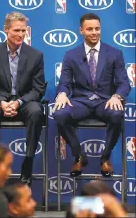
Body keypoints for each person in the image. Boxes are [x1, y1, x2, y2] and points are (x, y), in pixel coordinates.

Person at [53, 13, 131, 177]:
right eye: (90, 29)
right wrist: (61, 94)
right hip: (81, 102)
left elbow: (124, 82)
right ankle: (79, 155)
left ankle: (105, 158)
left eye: (97, 29)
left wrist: (117, 96)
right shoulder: (71, 55)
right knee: (60, 113)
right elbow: (65, 82)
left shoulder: (114, 54)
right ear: (81, 30)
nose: (94, 32)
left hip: (105, 102)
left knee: (117, 113)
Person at [0, 11, 46, 186]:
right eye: (16, 30)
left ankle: (28, 161)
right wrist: (2, 103)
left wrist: (18, 102)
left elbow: (38, 89)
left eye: (24, 31)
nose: (21, 35)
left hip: (24, 102)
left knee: (37, 111)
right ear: (6, 30)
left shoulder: (35, 55)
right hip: (0, 101)